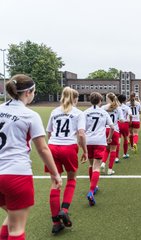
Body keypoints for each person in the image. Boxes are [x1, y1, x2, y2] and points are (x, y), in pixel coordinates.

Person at [0, 74, 62, 239]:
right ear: (28, 92)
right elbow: (42, 148)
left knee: (11, 218)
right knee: (17, 228)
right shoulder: (30, 115)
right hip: (16, 174)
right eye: (34, 91)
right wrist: (55, 173)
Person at [46, 87, 87, 234]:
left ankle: (56, 223)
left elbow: (49, 132)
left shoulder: (54, 111)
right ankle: (64, 210)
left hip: (52, 146)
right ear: (75, 99)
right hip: (68, 147)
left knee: (55, 182)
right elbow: (81, 134)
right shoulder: (78, 113)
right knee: (71, 179)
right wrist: (85, 151)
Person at [84, 92, 114, 206]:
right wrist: (109, 138)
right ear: (100, 101)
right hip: (99, 141)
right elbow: (111, 127)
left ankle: (93, 186)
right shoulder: (103, 112)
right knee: (97, 167)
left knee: (91, 165)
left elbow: (81, 129)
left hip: (88, 141)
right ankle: (91, 191)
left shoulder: (85, 112)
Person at [100, 93, 125, 175]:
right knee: (113, 150)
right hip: (114, 130)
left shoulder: (103, 107)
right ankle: (110, 169)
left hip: (105, 130)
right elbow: (121, 120)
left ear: (108, 98)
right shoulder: (118, 108)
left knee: (106, 149)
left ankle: (103, 163)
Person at [117, 94, 132, 159]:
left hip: (117, 124)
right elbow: (130, 115)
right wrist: (130, 121)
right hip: (125, 123)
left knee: (118, 140)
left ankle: (116, 157)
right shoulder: (127, 107)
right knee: (126, 139)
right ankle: (125, 154)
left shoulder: (116, 107)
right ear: (125, 100)